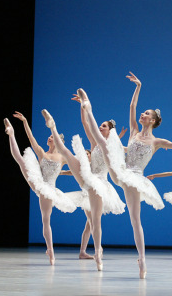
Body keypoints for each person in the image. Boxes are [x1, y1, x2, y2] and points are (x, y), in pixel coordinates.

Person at [77, 72, 172, 279]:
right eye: (142, 113)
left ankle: (142, 260)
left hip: (135, 177)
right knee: (103, 145)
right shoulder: (133, 131)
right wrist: (138, 86)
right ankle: (88, 108)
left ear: (152, 120)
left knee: (135, 220)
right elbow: (132, 107)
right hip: (120, 171)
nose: (141, 115)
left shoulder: (157, 141)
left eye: (145, 114)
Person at [41, 109, 125, 271]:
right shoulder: (94, 144)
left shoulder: (112, 147)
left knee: (95, 221)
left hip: (100, 184)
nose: (100, 127)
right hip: (88, 178)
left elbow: (120, 149)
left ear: (110, 131)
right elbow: (86, 124)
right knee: (65, 151)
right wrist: (82, 107)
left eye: (104, 126)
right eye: (100, 125)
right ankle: (52, 126)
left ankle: (98, 251)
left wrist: (119, 141)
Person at [3, 112, 76, 265]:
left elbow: (74, 169)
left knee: (45, 220)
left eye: (52, 137)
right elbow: (31, 138)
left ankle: (50, 250)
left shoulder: (62, 157)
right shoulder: (42, 153)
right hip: (39, 181)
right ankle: (11, 134)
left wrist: (63, 173)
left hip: (49, 189)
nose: (49, 137)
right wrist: (24, 122)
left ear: (57, 141)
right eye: (49, 137)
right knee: (21, 161)